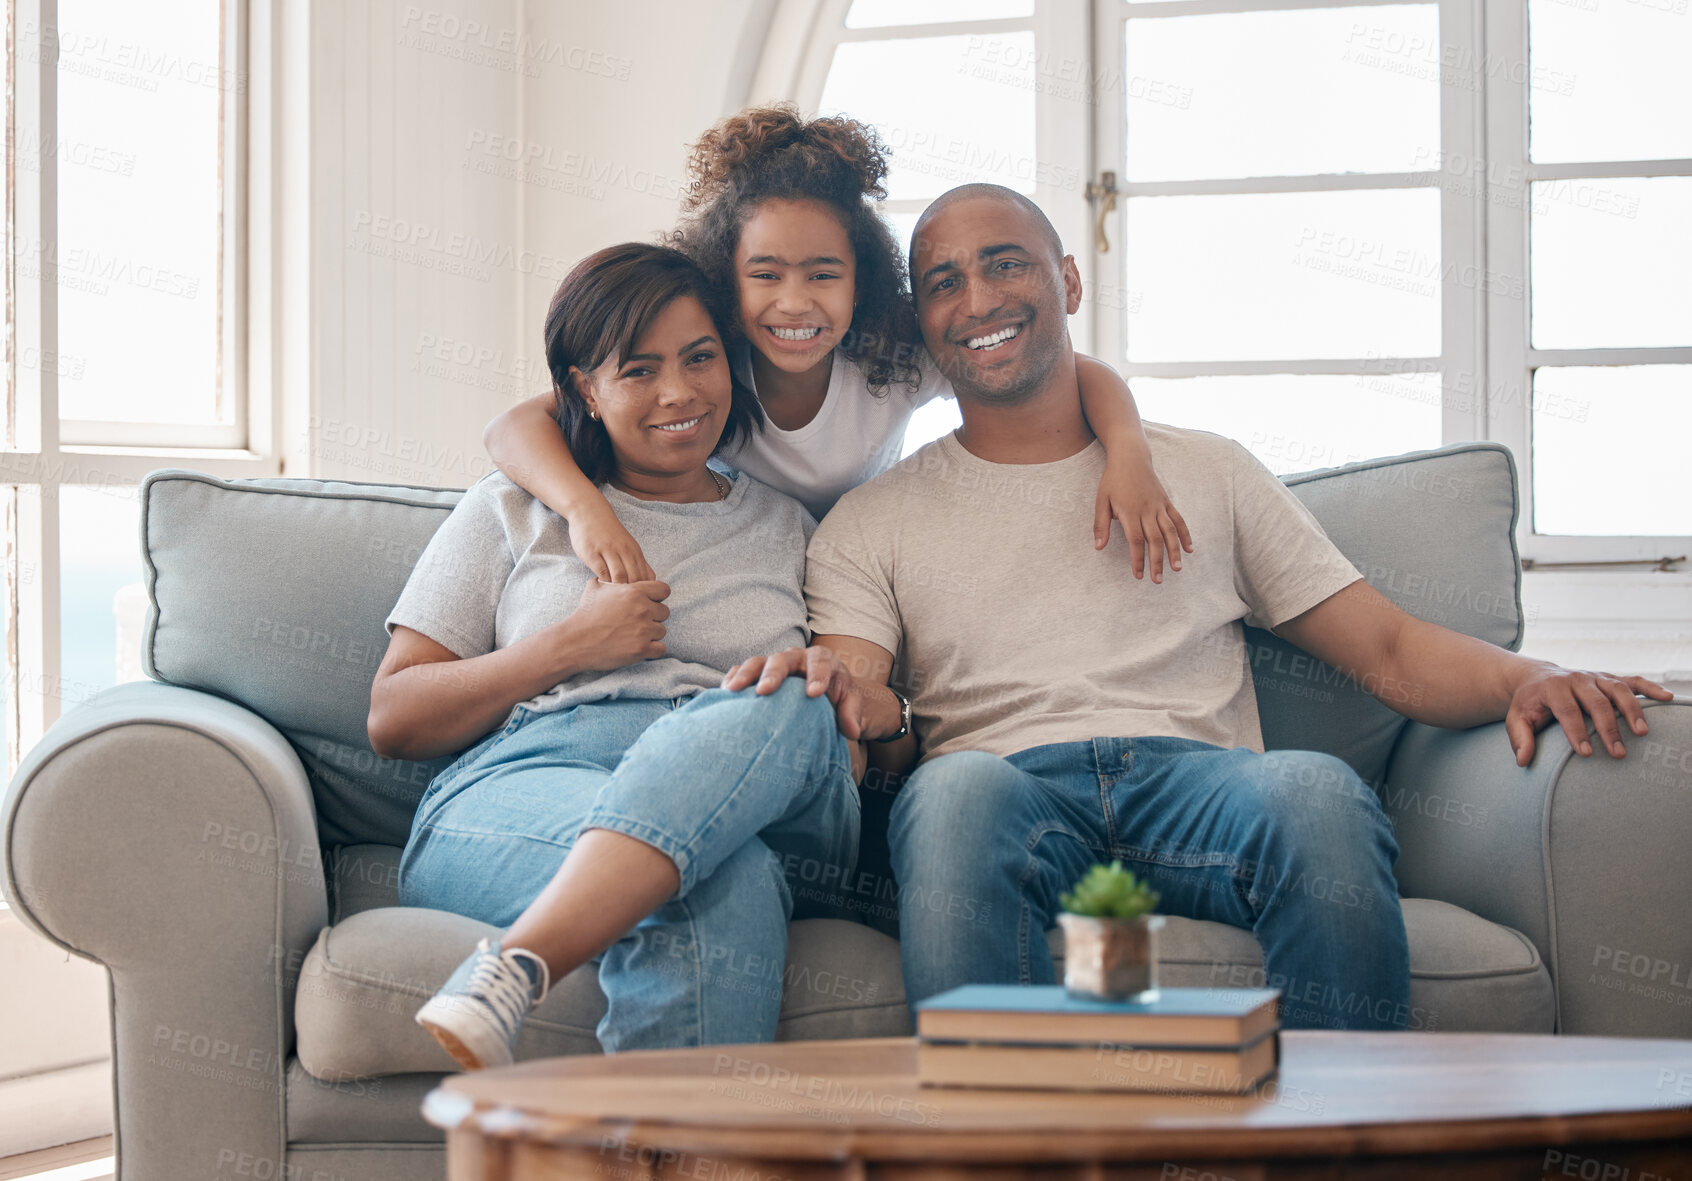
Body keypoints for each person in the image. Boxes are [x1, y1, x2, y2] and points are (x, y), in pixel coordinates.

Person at [723, 183, 1674, 1031]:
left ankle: (1342, 1143)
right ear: (921, 322)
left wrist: (1533, 674)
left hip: (1202, 790)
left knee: (1314, 789)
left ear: (1067, 281)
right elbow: (864, 697)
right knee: (955, 791)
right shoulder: (870, 519)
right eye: (942, 281)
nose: (976, 299)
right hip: (1005, 791)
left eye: (1004, 264)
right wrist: (855, 708)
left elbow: (1385, 646)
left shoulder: (1206, 470)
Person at [368, 242, 863, 1068]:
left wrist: (829, 690)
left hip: (757, 794)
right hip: (530, 785)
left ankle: (519, 964)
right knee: (717, 886)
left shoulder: (791, 525)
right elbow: (393, 716)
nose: (680, 391)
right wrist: (565, 646)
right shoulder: (514, 508)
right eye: (639, 369)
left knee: (792, 696)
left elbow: (847, 732)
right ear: (583, 391)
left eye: (701, 358)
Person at [483, 104, 1193, 584]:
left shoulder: (894, 354)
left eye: (824, 274)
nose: (796, 303)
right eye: (766, 275)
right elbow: (514, 426)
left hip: (865, 564)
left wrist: (1128, 455)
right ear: (726, 281)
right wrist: (585, 510)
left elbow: (1077, 374)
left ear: (865, 280)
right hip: (749, 560)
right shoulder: (705, 365)